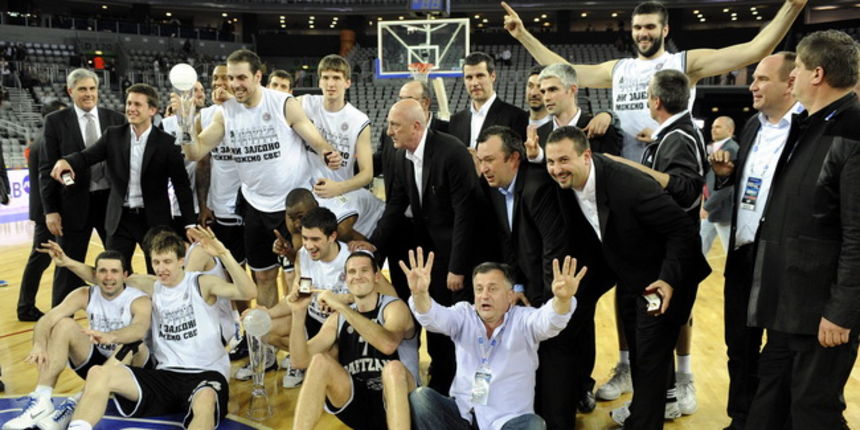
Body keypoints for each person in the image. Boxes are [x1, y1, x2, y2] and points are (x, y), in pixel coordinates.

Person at [544, 126, 710, 429]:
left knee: (648, 358)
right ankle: (642, 412)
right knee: (638, 353)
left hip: (663, 277)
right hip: (629, 272)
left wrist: (668, 280)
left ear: (586, 156)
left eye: (564, 160)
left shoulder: (629, 185)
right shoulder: (564, 185)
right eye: (551, 162)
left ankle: (645, 421)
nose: (556, 169)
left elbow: (683, 231)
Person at [501, 0, 806, 162]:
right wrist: (522, 34)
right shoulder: (618, 68)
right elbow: (562, 69)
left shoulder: (683, 63)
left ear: (664, 30)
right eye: (637, 27)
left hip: (669, 170)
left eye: (650, 27)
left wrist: (791, 7)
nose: (642, 33)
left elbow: (753, 51)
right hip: (626, 171)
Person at [738, 30, 860, 430]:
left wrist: (840, 313)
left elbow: (858, 235)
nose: (791, 78)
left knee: (814, 412)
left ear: (817, 74)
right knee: (768, 406)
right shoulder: (809, 124)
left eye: (799, 70)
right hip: (786, 306)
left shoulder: (852, 130)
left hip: (822, 315)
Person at [180, 48, 342, 308]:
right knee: (263, 276)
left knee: (298, 275)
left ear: (258, 77)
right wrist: (185, 121)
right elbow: (195, 150)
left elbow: (315, 138)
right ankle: (267, 342)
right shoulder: (226, 113)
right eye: (231, 78)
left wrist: (328, 152)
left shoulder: (282, 103)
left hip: (292, 207)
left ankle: (297, 337)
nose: (235, 84)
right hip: (255, 206)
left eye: (241, 78)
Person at [475, 125, 611, 427]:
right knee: (541, 361)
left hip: (567, 283)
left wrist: (547, 306)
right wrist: (518, 287)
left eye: (490, 160)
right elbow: (508, 241)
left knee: (556, 355)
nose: (483, 168)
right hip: (535, 281)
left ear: (513, 159)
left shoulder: (537, 188)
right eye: (480, 160)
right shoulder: (496, 187)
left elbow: (555, 250)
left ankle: (560, 419)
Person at [65, 226, 256, 430]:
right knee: (98, 373)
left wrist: (223, 254)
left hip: (206, 374)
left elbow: (248, 292)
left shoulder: (201, 283)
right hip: (165, 375)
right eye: (156, 262)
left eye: (167, 262)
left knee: (207, 398)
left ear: (181, 261)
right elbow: (105, 278)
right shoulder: (150, 285)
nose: (161, 268)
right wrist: (67, 262)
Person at [600, 69, 708, 416]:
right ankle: (660, 401)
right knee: (652, 340)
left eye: (648, 94)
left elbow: (688, 191)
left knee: (653, 341)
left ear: (656, 101)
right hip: (663, 258)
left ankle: (658, 405)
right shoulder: (671, 137)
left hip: (669, 260)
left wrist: (628, 169)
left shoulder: (678, 138)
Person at [709, 51, 803, 430]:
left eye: (762, 78)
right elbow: (746, 189)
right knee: (739, 346)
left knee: (780, 350)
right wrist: (726, 176)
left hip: (782, 260)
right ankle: (741, 417)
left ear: (790, 83)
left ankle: (771, 420)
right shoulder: (750, 127)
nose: (752, 85)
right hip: (743, 253)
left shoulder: (808, 129)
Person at [361, 99, 481, 394]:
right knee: (435, 318)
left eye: (394, 125)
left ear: (417, 126)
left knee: (460, 326)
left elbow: (467, 215)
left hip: (460, 253)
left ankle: (464, 387)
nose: (388, 131)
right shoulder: (402, 155)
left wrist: (457, 266)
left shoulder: (451, 152)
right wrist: (372, 247)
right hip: (431, 253)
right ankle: (441, 381)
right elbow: (396, 206)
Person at [405, 248, 584, 430]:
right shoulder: (464, 314)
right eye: (479, 289)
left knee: (533, 424)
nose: (484, 295)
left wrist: (562, 300)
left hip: (506, 422)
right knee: (421, 398)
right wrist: (420, 294)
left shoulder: (524, 320)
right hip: (462, 415)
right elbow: (433, 317)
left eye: (492, 289)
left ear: (509, 295)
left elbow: (550, 321)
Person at [49, 84, 196, 274]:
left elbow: (181, 187)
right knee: (115, 272)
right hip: (119, 219)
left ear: (152, 110)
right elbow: (87, 156)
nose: (131, 108)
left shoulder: (167, 143)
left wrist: (190, 224)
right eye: (128, 103)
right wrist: (66, 161)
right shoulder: (113, 135)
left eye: (137, 104)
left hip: (154, 220)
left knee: (158, 275)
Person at [3, 248, 151, 430]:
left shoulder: (138, 299)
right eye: (103, 271)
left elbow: (139, 329)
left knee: (133, 343)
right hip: (97, 362)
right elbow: (46, 320)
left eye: (114, 271)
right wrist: (39, 345)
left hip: (132, 368)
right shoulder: (84, 294)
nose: (108, 277)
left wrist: (111, 336)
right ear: (95, 274)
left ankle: (78, 401)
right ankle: (41, 400)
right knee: (63, 324)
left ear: (125, 275)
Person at [290, 251, 418, 430]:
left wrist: (342, 307)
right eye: (351, 272)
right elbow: (299, 360)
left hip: (402, 402)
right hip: (359, 402)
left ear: (376, 277)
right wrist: (298, 313)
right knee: (320, 361)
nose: (357, 276)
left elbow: (388, 345)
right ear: (346, 279)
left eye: (364, 270)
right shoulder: (337, 318)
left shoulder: (394, 307)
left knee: (393, 369)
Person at [39, 68, 126, 305]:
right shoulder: (55, 122)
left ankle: (119, 313)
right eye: (82, 89)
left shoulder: (115, 118)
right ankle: (60, 322)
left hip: (110, 203)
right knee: (67, 266)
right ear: (70, 91)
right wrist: (50, 210)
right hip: (73, 204)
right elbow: (46, 169)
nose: (89, 94)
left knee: (115, 262)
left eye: (92, 88)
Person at [373, 80, 449, 300]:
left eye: (408, 99)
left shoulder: (448, 134)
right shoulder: (391, 134)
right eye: (400, 99)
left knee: (437, 297)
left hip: (436, 237)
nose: (401, 104)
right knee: (402, 295)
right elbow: (380, 164)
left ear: (425, 103)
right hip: (401, 229)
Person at [18, 100, 67, 322]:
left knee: (42, 259)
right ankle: (25, 307)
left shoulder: (42, 141)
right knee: (39, 259)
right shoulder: (47, 143)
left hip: (45, 210)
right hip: (46, 212)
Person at [299, 55, 373, 200]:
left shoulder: (359, 121)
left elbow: (367, 174)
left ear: (347, 82)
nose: (330, 84)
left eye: (336, 78)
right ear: (319, 81)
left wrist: (337, 188)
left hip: (340, 194)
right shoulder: (305, 103)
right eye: (325, 78)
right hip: (306, 191)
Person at [530, 62, 622, 159]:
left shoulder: (602, 130)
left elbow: (612, 171)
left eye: (553, 90)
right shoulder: (538, 135)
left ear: (573, 90)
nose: (546, 98)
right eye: (543, 92)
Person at [449, 52, 528, 149]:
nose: (474, 83)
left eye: (480, 76)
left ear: (493, 76)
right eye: (469, 77)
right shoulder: (455, 120)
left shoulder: (516, 117)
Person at [162, 80, 207, 235]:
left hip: (207, 203)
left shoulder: (211, 121)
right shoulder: (167, 124)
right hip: (177, 203)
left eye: (202, 90)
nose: (201, 94)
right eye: (195, 90)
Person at [701, 116, 738, 256]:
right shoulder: (716, 147)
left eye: (718, 127)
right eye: (712, 127)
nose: (713, 130)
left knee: (730, 252)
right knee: (701, 242)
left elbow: (727, 186)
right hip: (715, 209)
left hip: (723, 209)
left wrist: (706, 206)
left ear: (730, 130)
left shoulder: (731, 149)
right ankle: (689, 275)